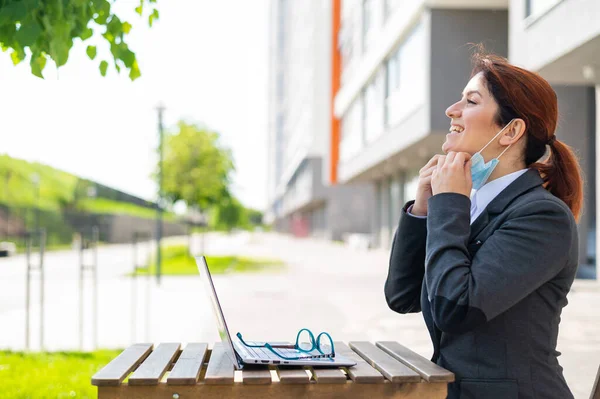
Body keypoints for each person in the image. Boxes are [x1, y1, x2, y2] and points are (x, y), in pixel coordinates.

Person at [384, 48, 583, 399]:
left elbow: (455, 309)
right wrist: (423, 207)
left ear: (510, 131)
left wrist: (450, 204)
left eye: (471, 102)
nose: (452, 110)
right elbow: (401, 295)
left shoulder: (542, 216)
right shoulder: (471, 205)